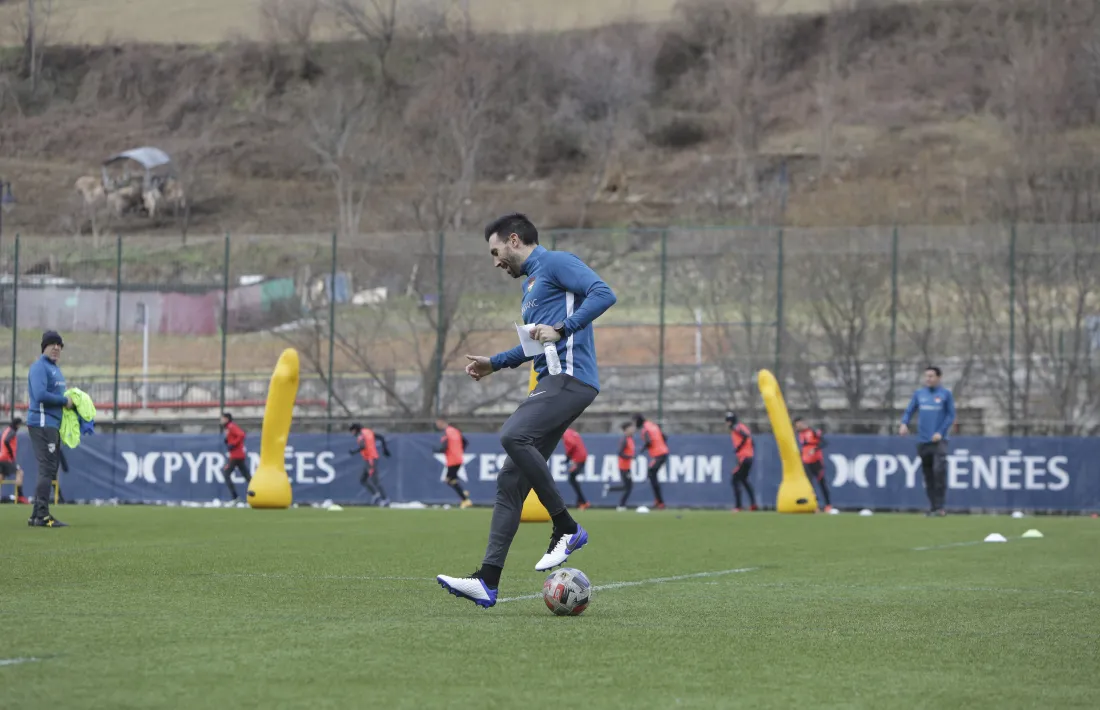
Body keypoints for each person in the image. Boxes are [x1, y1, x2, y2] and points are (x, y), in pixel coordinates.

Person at [436, 212, 616, 608]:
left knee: (512, 435)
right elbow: (535, 346)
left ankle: (566, 527)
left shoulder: (556, 262)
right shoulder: (533, 286)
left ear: (514, 240)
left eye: (496, 251)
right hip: (555, 382)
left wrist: (564, 329)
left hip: (571, 379)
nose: (496, 260)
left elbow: (604, 293)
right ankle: (487, 581)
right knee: (510, 483)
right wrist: (494, 363)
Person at [27, 330, 73, 527]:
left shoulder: (55, 369)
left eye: (59, 344)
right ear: (44, 347)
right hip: (43, 423)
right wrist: (64, 401)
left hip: (51, 424)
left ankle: (37, 514)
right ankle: (42, 515)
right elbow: (39, 394)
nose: (56, 347)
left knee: (49, 468)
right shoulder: (40, 367)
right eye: (52, 343)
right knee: (47, 468)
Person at [900, 365, 956, 516]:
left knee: (939, 472)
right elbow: (910, 410)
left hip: (939, 441)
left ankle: (940, 506)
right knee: (928, 474)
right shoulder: (919, 394)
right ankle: (933, 507)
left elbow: (951, 415)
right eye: (926, 376)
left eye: (931, 376)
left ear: (938, 377)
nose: (928, 379)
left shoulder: (945, 394)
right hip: (923, 441)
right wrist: (904, 423)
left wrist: (940, 432)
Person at [349, 423, 391, 507]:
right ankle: (376, 494)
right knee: (363, 479)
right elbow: (381, 438)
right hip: (370, 458)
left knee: (375, 480)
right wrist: (385, 449)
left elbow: (363, 446)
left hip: (370, 459)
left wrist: (354, 451)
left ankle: (385, 498)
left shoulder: (360, 435)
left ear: (355, 429)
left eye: (352, 431)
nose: (352, 433)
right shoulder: (368, 431)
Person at [794, 417, 831, 512]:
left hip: (816, 460)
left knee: (822, 482)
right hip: (806, 461)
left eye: (799, 424)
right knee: (809, 485)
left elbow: (824, 442)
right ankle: (815, 506)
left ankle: (828, 505)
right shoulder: (799, 434)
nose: (798, 426)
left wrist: (815, 449)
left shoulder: (813, 431)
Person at [435, 418, 472, 509]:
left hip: (452, 460)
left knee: (449, 480)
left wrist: (438, 450)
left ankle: (465, 499)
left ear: (441, 422)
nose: (437, 425)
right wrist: (459, 451)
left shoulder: (446, 433)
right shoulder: (455, 431)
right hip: (458, 458)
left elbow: (444, 446)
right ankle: (463, 493)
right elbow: (465, 442)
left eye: (437, 423)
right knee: (453, 479)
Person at [635, 413, 669, 510]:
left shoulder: (645, 429)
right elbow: (665, 437)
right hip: (662, 453)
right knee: (652, 475)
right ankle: (658, 500)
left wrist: (642, 449)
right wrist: (661, 446)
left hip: (659, 455)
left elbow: (648, 441)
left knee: (651, 474)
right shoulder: (653, 425)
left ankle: (660, 502)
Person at [726, 412, 757, 512]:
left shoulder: (736, 427)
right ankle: (753, 504)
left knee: (734, 479)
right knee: (744, 480)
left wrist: (739, 448)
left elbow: (745, 436)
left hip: (744, 458)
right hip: (749, 457)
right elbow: (752, 441)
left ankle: (738, 506)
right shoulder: (743, 426)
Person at [603, 420, 636, 510]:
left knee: (627, 486)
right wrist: (630, 456)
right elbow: (620, 453)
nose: (633, 429)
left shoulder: (630, 439)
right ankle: (621, 505)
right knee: (629, 487)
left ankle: (609, 488)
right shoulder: (624, 440)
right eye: (631, 428)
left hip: (627, 466)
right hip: (623, 467)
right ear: (626, 429)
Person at [220, 412, 251, 504]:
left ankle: (235, 497)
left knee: (226, 474)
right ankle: (259, 492)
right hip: (238, 455)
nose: (221, 421)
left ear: (226, 419)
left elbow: (241, 434)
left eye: (222, 419)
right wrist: (229, 440)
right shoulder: (228, 428)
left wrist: (233, 444)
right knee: (247, 476)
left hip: (236, 455)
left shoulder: (231, 426)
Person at [562, 427, 590, 510]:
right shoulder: (570, 431)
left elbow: (571, 443)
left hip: (578, 458)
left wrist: (568, 456)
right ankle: (580, 502)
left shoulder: (565, 433)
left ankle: (583, 502)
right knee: (573, 479)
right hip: (581, 456)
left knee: (572, 479)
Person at [0, 417, 26, 504]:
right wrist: (11, 453)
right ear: (17, 424)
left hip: (1, 457)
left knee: (1, 477)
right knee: (19, 473)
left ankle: (20, 496)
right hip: (7, 458)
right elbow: (7, 441)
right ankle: (20, 496)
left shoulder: (6, 430)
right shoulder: (12, 431)